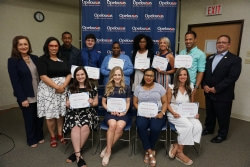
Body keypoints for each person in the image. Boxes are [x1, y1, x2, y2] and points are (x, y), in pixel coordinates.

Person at [202, 35, 242, 143]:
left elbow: (232, 77)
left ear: (229, 45)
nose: (220, 44)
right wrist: (204, 85)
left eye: (223, 42)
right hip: (208, 92)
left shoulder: (235, 59)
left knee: (223, 116)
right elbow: (205, 74)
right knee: (210, 114)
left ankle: (222, 134)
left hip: (223, 94)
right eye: (219, 42)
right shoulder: (209, 57)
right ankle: (209, 129)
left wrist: (217, 88)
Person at [7, 35, 44, 148]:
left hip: (39, 93)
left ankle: (39, 135)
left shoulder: (35, 58)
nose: (24, 46)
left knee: (39, 117)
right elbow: (15, 82)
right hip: (26, 95)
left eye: (25, 44)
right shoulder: (13, 61)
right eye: (21, 44)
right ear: (16, 46)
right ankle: (31, 139)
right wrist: (22, 98)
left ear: (29, 45)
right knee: (29, 119)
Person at [37, 37, 71, 148]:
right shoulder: (42, 59)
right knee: (50, 115)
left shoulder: (63, 58)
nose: (54, 48)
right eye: (51, 45)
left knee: (60, 113)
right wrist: (57, 87)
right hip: (48, 90)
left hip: (62, 89)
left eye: (56, 46)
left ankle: (60, 134)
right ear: (47, 46)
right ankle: (52, 136)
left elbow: (69, 74)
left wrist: (63, 86)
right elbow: (43, 76)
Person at [63, 66, 99, 167]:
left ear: (86, 75)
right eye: (78, 75)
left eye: (82, 74)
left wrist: (92, 102)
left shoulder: (92, 86)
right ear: (75, 76)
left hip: (88, 111)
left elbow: (96, 102)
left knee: (85, 126)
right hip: (73, 112)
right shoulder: (70, 87)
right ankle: (79, 156)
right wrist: (68, 103)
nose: (80, 76)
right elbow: (67, 102)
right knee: (75, 126)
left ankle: (75, 153)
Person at [167, 67, 202, 166]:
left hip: (187, 112)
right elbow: (167, 104)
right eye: (180, 74)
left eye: (185, 74)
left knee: (198, 126)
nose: (183, 76)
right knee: (188, 126)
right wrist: (173, 112)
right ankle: (180, 153)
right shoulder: (171, 87)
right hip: (174, 112)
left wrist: (195, 112)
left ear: (187, 76)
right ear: (177, 76)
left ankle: (177, 145)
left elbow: (192, 103)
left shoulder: (190, 86)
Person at [133, 68, 167, 167]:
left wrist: (162, 113)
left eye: (151, 75)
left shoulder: (159, 87)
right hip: (143, 113)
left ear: (154, 77)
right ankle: (151, 152)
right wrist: (141, 110)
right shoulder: (138, 87)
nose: (148, 77)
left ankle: (149, 150)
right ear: (144, 76)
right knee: (141, 126)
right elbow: (135, 102)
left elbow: (165, 102)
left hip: (157, 113)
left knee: (155, 128)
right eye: (147, 75)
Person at [100, 66, 131, 166]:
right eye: (115, 75)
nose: (117, 77)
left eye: (119, 75)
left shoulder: (127, 87)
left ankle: (107, 148)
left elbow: (128, 102)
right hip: (110, 113)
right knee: (112, 125)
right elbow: (103, 102)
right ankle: (109, 152)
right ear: (112, 76)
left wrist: (124, 112)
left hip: (122, 113)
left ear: (122, 76)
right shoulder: (108, 87)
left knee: (120, 127)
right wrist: (109, 109)